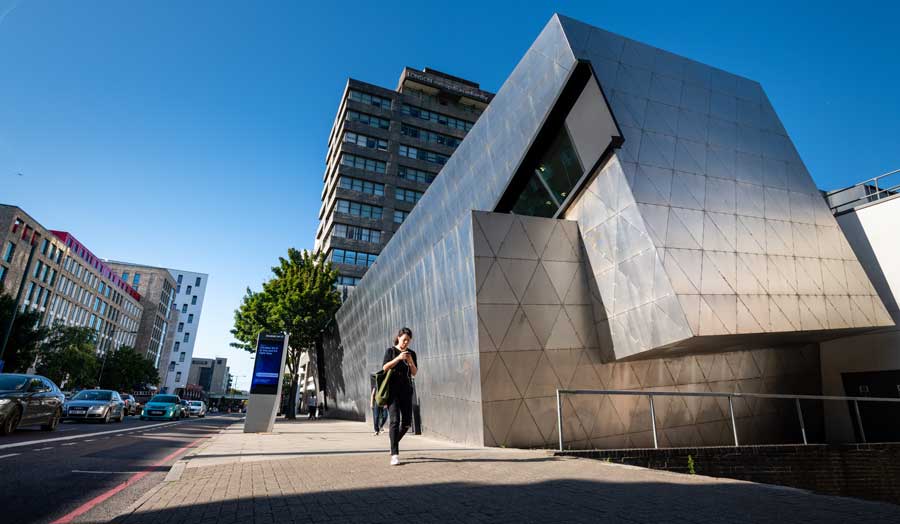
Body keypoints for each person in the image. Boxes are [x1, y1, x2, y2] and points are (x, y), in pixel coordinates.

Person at [382, 327, 417, 466]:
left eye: (408, 341)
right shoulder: (390, 351)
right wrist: (398, 358)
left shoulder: (411, 353)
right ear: (398, 338)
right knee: (395, 421)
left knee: (407, 423)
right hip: (392, 392)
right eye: (404, 340)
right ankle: (395, 454)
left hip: (406, 391)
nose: (406, 343)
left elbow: (414, 372)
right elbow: (385, 367)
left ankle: (393, 443)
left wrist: (410, 361)